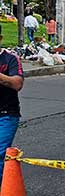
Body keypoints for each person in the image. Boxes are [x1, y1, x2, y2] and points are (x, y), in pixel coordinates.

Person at [0, 26, 25, 187]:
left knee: (0, 153)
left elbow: (17, 83)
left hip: (6, 115)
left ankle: (5, 195)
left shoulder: (10, 59)